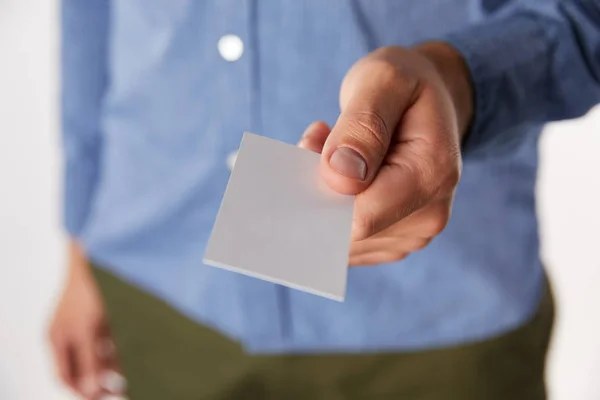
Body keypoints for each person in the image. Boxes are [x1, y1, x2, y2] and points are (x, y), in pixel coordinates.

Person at [49, 0, 600, 399]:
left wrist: (457, 80)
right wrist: (82, 243)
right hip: (161, 287)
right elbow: (88, 18)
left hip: (439, 323)